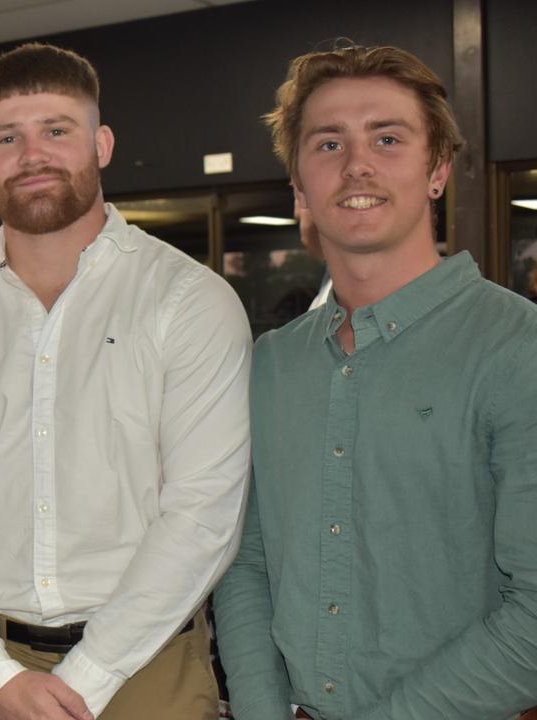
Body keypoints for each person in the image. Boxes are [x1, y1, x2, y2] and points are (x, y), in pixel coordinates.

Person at [0, 43, 252, 720]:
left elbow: (203, 516)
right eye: (8, 137)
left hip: (146, 670)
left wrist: (83, 679)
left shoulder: (188, 301)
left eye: (57, 130)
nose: (32, 155)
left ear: (103, 143)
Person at [213, 44, 537, 720]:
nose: (358, 164)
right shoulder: (271, 362)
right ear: (298, 186)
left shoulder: (518, 350)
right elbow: (248, 565)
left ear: (438, 170)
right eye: (328, 143)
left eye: (388, 138)